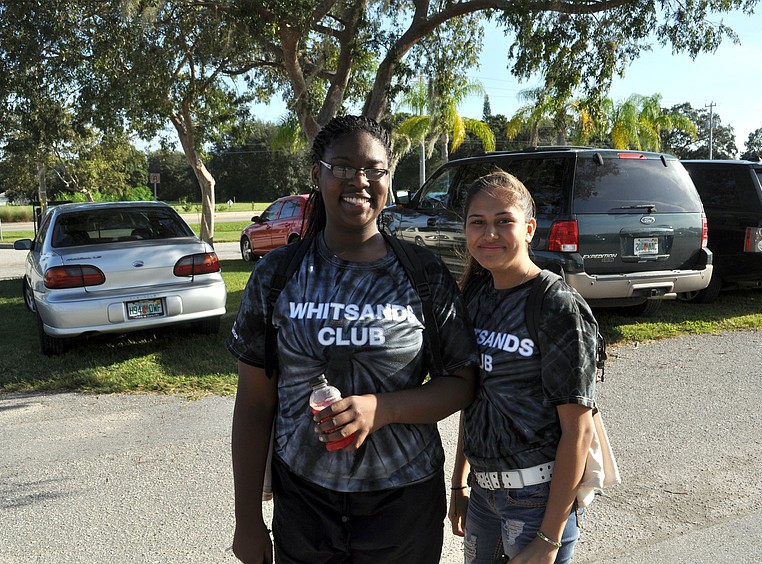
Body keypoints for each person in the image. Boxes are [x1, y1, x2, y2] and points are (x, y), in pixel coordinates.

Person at [228, 115, 478, 564]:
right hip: (304, 505)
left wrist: (381, 410)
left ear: (388, 178)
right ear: (317, 174)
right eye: (342, 167)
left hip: (403, 505)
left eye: (374, 170)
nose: (358, 181)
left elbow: (461, 382)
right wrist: (247, 521)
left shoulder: (422, 274)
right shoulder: (276, 275)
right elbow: (253, 404)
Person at [448, 171, 599, 564]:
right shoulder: (475, 296)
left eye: (504, 221)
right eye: (477, 222)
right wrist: (459, 484)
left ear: (529, 229)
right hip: (483, 494)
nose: (489, 234)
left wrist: (548, 539)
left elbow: (578, 429)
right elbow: (474, 398)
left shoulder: (556, 304)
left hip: (536, 500)